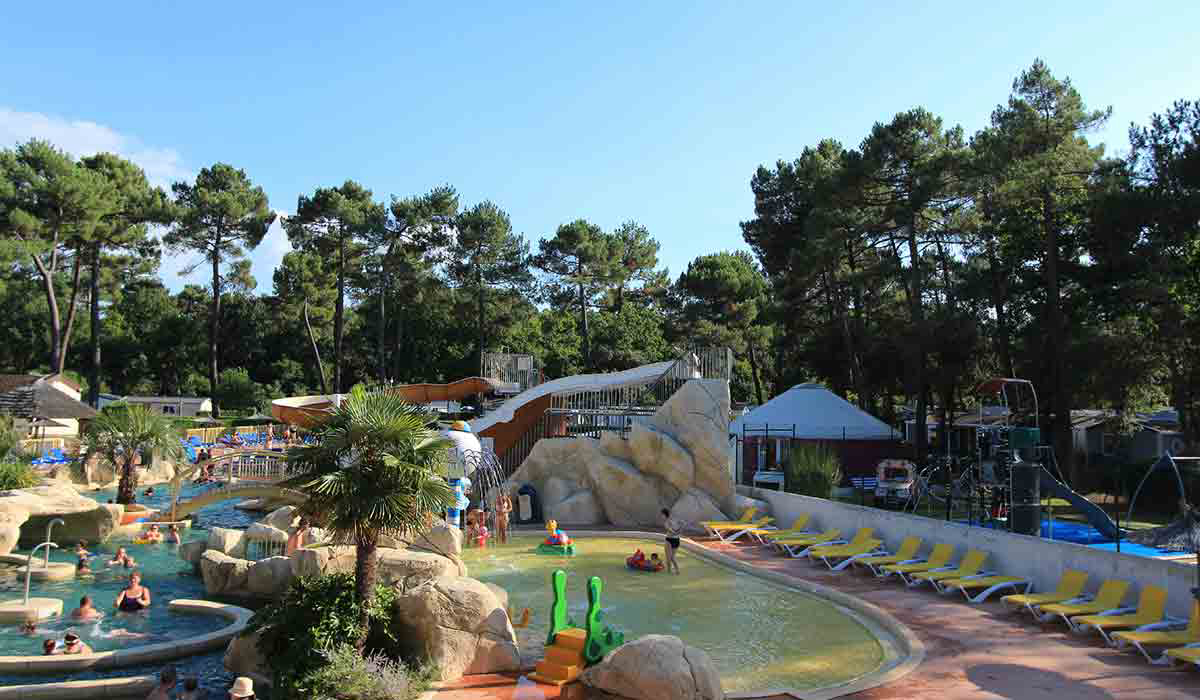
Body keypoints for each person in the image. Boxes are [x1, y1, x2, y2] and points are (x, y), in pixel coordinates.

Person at [661, 508, 682, 575]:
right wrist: (678, 531)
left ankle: (669, 571)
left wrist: (676, 532)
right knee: (672, 557)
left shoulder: (666, 522)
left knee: (669, 558)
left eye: (662, 515)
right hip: (677, 540)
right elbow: (681, 527)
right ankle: (677, 571)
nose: (661, 516)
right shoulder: (675, 520)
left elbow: (671, 532)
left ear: (664, 514)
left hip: (670, 540)